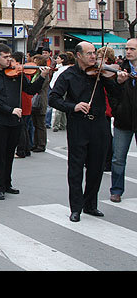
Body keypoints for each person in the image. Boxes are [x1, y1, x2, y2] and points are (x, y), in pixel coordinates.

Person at [48, 41, 122, 222]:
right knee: (76, 167)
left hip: (100, 125)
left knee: (96, 167)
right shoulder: (68, 75)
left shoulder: (100, 73)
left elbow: (116, 94)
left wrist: (117, 81)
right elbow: (53, 99)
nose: (93, 57)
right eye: (89, 53)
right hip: (79, 125)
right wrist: (73, 106)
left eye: (94, 53)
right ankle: (76, 207)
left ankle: (91, 204)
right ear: (79, 55)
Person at [0, 43, 49, 200]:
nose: (8, 60)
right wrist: (8, 109)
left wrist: (42, 77)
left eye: (10, 57)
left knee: (10, 153)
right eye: (5, 57)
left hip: (14, 119)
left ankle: (7, 183)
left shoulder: (17, 73)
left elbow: (30, 89)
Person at [107, 38, 137, 203]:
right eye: (127, 49)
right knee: (118, 158)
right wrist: (118, 83)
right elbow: (111, 93)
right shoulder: (120, 69)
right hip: (122, 120)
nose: (128, 51)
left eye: (132, 49)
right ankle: (116, 190)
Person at [30, 54, 50, 153]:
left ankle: (41, 144)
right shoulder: (36, 73)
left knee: (40, 124)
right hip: (35, 100)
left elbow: (40, 87)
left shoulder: (45, 74)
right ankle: (35, 143)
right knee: (35, 123)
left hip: (40, 100)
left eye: (36, 61)